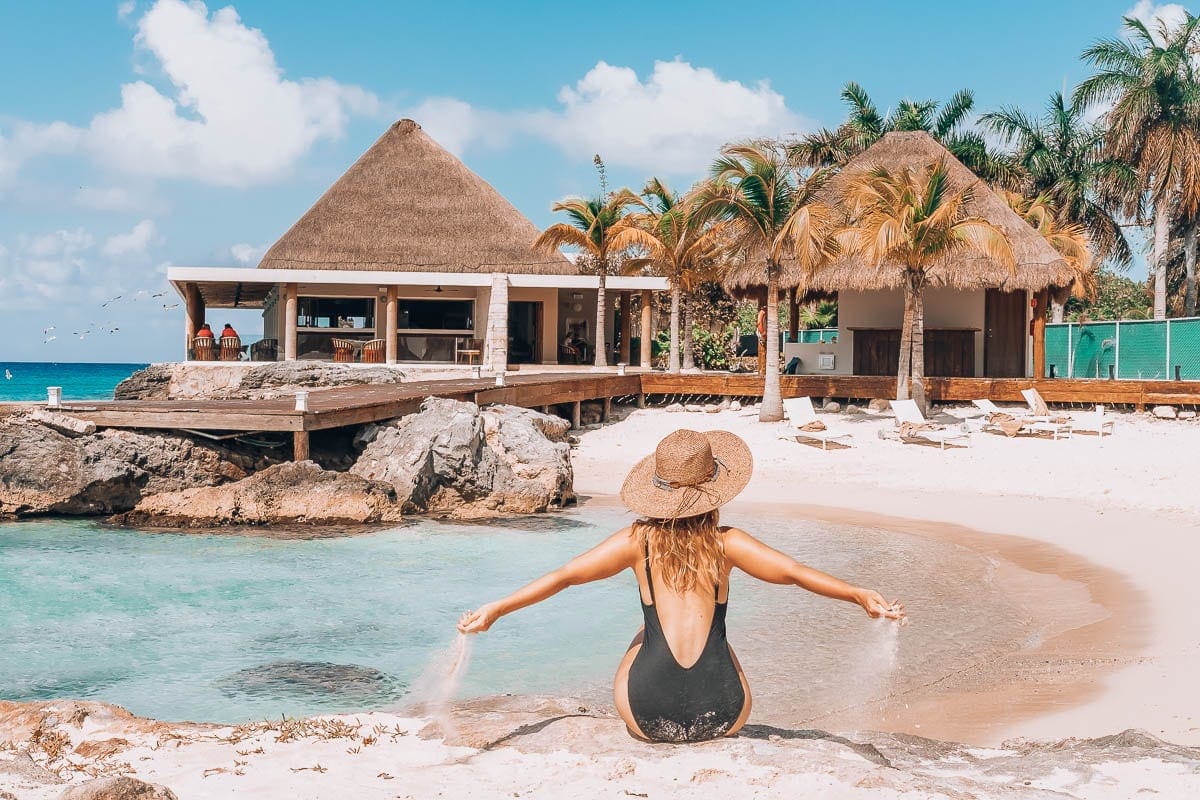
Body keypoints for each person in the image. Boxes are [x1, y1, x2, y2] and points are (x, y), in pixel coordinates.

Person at [458, 429, 905, 744]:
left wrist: (497, 609)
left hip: (647, 718)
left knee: (644, 633)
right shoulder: (727, 543)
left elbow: (565, 577)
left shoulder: (637, 541)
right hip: (725, 715)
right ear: (715, 489)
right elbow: (793, 572)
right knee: (718, 638)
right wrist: (857, 594)